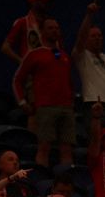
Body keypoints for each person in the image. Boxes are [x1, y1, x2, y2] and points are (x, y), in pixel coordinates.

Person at [11, 18, 75, 167]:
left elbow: (68, 80)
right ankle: (43, 183)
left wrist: (70, 99)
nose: (55, 31)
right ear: (43, 32)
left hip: (66, 107)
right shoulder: (34, 54)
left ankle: (66, 184)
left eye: (57, 28)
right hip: (46, 107)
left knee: (66, 149)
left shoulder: (63, 55)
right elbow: (17, 80)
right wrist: (22, 102)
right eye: (51, 28)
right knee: (44, 147)